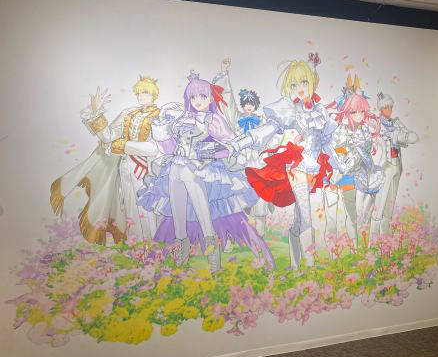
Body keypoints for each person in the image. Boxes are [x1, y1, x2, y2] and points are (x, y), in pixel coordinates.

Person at [138, 72, 273, 272]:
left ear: (210, 98)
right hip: (177, 168)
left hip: (200, 170)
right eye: (193, 97)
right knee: (178, 210)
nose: (198, 101)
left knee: (202, 211)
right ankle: (181, 250)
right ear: (188, 99)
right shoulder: (182, 119)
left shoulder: (214, 119)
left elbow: (229, 146)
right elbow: (169, 148)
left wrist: (205, 152)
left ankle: (213, 256)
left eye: (203, 96)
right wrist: (161, 130)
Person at [228, 54, 341, 268]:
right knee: (306, 216)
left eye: (304, 82)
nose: (300, 88)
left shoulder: (320, 111)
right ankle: (309, 265)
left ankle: (296, 266)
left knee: (301, 217)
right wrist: (238, 144)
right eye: (294, 84)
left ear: (312, 82)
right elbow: (265, 131)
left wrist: (337, 166)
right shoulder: (289, 109)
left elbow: (327, 142)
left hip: (315, 168)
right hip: (296, 167)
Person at [50, 76, 161, 244]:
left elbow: (154, 148)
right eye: (138, 92)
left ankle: (153, 245)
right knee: (129, 209)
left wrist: (124, 145)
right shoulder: (128, 113)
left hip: (147, 169)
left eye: (145, 92)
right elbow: (108, 137)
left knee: (146, 209)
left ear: (154, 94)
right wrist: (95, 113)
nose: (140, 96)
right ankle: (136, 247)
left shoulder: (161, 116)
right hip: (125, 167)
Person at [327, 86, 383, 249]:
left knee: (358, 212)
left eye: (361, 112)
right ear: (347, 112)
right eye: (354, 112)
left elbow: (368, 150)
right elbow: (337, 149)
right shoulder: (341, 129)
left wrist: (364, 154)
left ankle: (358, 246)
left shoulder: (365, 128)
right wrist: (351, 154)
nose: (358, 115)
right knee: (341, 214)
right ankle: (343, 249)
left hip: (359, 173)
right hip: (342, 173)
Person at [368, 91, 418, 243]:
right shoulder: (376, 123)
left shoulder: (396, 122)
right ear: (380, 108)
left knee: (390, 202)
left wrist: (405, 136)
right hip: (385, 165)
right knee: (380, 202)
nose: (388, 110)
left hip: (397, 164)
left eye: (390, 107)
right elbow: (375, 142)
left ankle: (385, 238)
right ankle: (373, 240)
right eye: (385, 107)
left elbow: (407, 134)